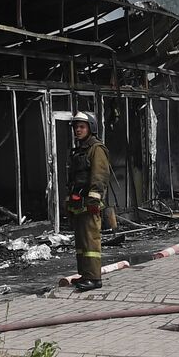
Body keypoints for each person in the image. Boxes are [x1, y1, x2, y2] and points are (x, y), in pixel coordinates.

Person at [66, 112, 110, 292]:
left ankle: (94, 278)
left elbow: (99, 176)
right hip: (78, 203)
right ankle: (85, 274)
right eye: (76, 126)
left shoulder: (96, 149)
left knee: (91, 242)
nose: (78, 129)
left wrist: (93, 200)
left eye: (82, 126)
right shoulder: (80, 149)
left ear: (91, 128)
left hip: (89, 203)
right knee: (82, 243)